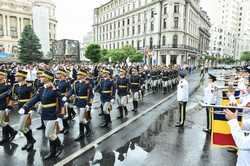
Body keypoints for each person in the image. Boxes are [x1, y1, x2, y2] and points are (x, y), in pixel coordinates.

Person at [19, 70, 63, 160]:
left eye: (42, 77)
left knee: (48, 134)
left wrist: (61, 113)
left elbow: (61, 101)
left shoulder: (54, 89)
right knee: (51, 133)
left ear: (48, 78)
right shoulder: (42, 89)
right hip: (45, 114)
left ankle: (60, 146)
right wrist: (25, 106)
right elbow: (35, 99)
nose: (40, 78)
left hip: (52, 114)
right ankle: (52, 151)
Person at [13, 70, 36, 151]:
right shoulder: (16, 86)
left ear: (22, 77)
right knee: (26, 127)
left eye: (17, 76)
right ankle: (29, 142)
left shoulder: (29, 86)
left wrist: (31, 109)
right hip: (20, 108)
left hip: (27, 107)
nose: (15, 77)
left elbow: (32, 98)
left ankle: (31, 140)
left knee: (22, 127)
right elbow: (15, 96)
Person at [67, 69, 92, 141]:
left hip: (84, 102)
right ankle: (88, 129)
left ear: (83, 76)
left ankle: (81, 134)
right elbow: (71, 91)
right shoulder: (76, 83)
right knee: (82, 119)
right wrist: (66, 96)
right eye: (78, 75)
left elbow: (90, 95)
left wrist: (88, 104)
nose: (77, 76)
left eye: (79, 75)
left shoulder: (87, 84)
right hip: (78, 102)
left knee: (81, 119)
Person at [0, 69, 18, 145]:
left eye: (0, 75)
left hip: (4, 106)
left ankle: (10, 133)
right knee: (2, 122)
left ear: (3, 76)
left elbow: (11, 97)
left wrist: (9, 107)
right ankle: (7, 136)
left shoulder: (7, 86)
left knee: (2, 122)